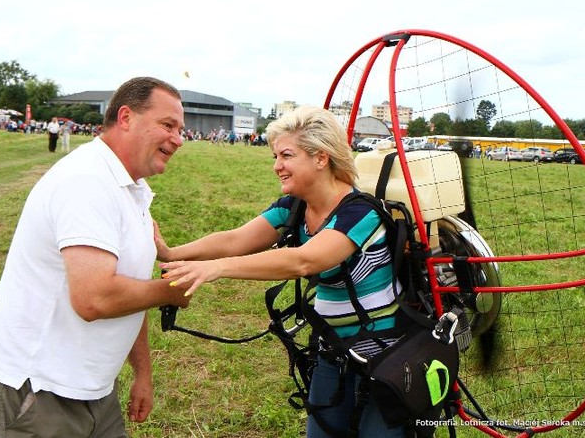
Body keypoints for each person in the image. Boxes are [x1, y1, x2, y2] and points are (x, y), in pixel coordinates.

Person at [157, 105, 406, 438]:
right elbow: (234, 240)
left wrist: (216, 269)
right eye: (276, 156)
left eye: (286, 155)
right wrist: (171, 252)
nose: (277, 166)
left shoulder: (361, 213)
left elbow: (303, 260)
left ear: (321, 157)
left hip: (386, 358)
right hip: (332, 352)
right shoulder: (294, 208)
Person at [0, 77, 193, 437]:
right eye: (168, 125)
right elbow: (95, 298)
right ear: (125, 118)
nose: (178, 139)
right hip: (33, 391)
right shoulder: (87, 181)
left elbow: (129, 290)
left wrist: (143, 373)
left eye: (180, 129)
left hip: (92, 391)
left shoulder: (132, 190)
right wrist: (171, 292)